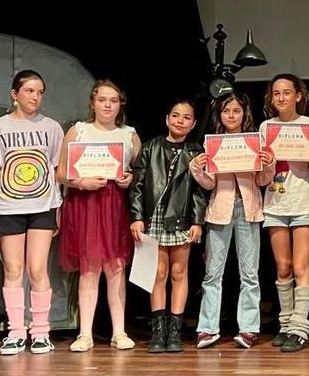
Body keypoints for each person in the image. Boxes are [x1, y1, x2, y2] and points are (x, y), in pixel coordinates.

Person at [0, 70, 64, 355]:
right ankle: (15, 331)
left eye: (40, 92)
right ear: (14, 94)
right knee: (13, 269)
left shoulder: (52, 127)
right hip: (8, 208)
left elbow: (56, 172)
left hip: (42, 207)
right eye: (29, 91)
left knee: (38, 268)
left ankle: (40, 331)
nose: (35, 97)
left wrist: (58, 209)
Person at [58, 80, 141, 352]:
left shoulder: (129, 134)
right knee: (89, 269)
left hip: (114, 205)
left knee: (116, 267)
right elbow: (61, 173)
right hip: (86, 204)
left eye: (113, 100)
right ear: (93, 103)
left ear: (120, 105)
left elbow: (137, 174)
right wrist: (81, 183)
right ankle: (85, 333)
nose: (107, 105)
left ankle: (119, 331)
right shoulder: (78, 131)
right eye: (102, 99)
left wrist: (129, 179)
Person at [191, 93, 274, 350]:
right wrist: (197, 168)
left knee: (250, 274)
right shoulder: (213, 144)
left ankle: (249, 328)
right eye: (226, 111)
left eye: (236, 111)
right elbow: (210, 184)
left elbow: (261, 181)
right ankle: (207, 328)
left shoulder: (255, 141)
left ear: (244, 114)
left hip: (248, 209)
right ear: (220, 114)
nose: (231, 116)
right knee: (212, 273)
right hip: (220, 209)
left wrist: (269, 165)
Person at [130, 99, 207, 353]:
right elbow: (138, 186)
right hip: (154, 218)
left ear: (193, 123)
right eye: (176, 115)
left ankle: (175, 331)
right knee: (158, 273)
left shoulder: (196, 151)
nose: (180, 121)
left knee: (179, 272)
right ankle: (158, 332)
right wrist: (137, 216)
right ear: (167, 119)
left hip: (182, 219)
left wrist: (197, 220)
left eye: (186, 117)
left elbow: (199, 190)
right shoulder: (150, 148)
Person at [260, 74, 309, 352]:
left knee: (301, 267)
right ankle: (285, 324)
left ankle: (299, 327)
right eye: (276, 93)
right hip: (274, 203)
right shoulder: (265, 127)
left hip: (303, 201)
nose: (281, 98)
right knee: (282, 267)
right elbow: (260, 175)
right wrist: (265, 163)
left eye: (287, 92)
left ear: (298, 95)